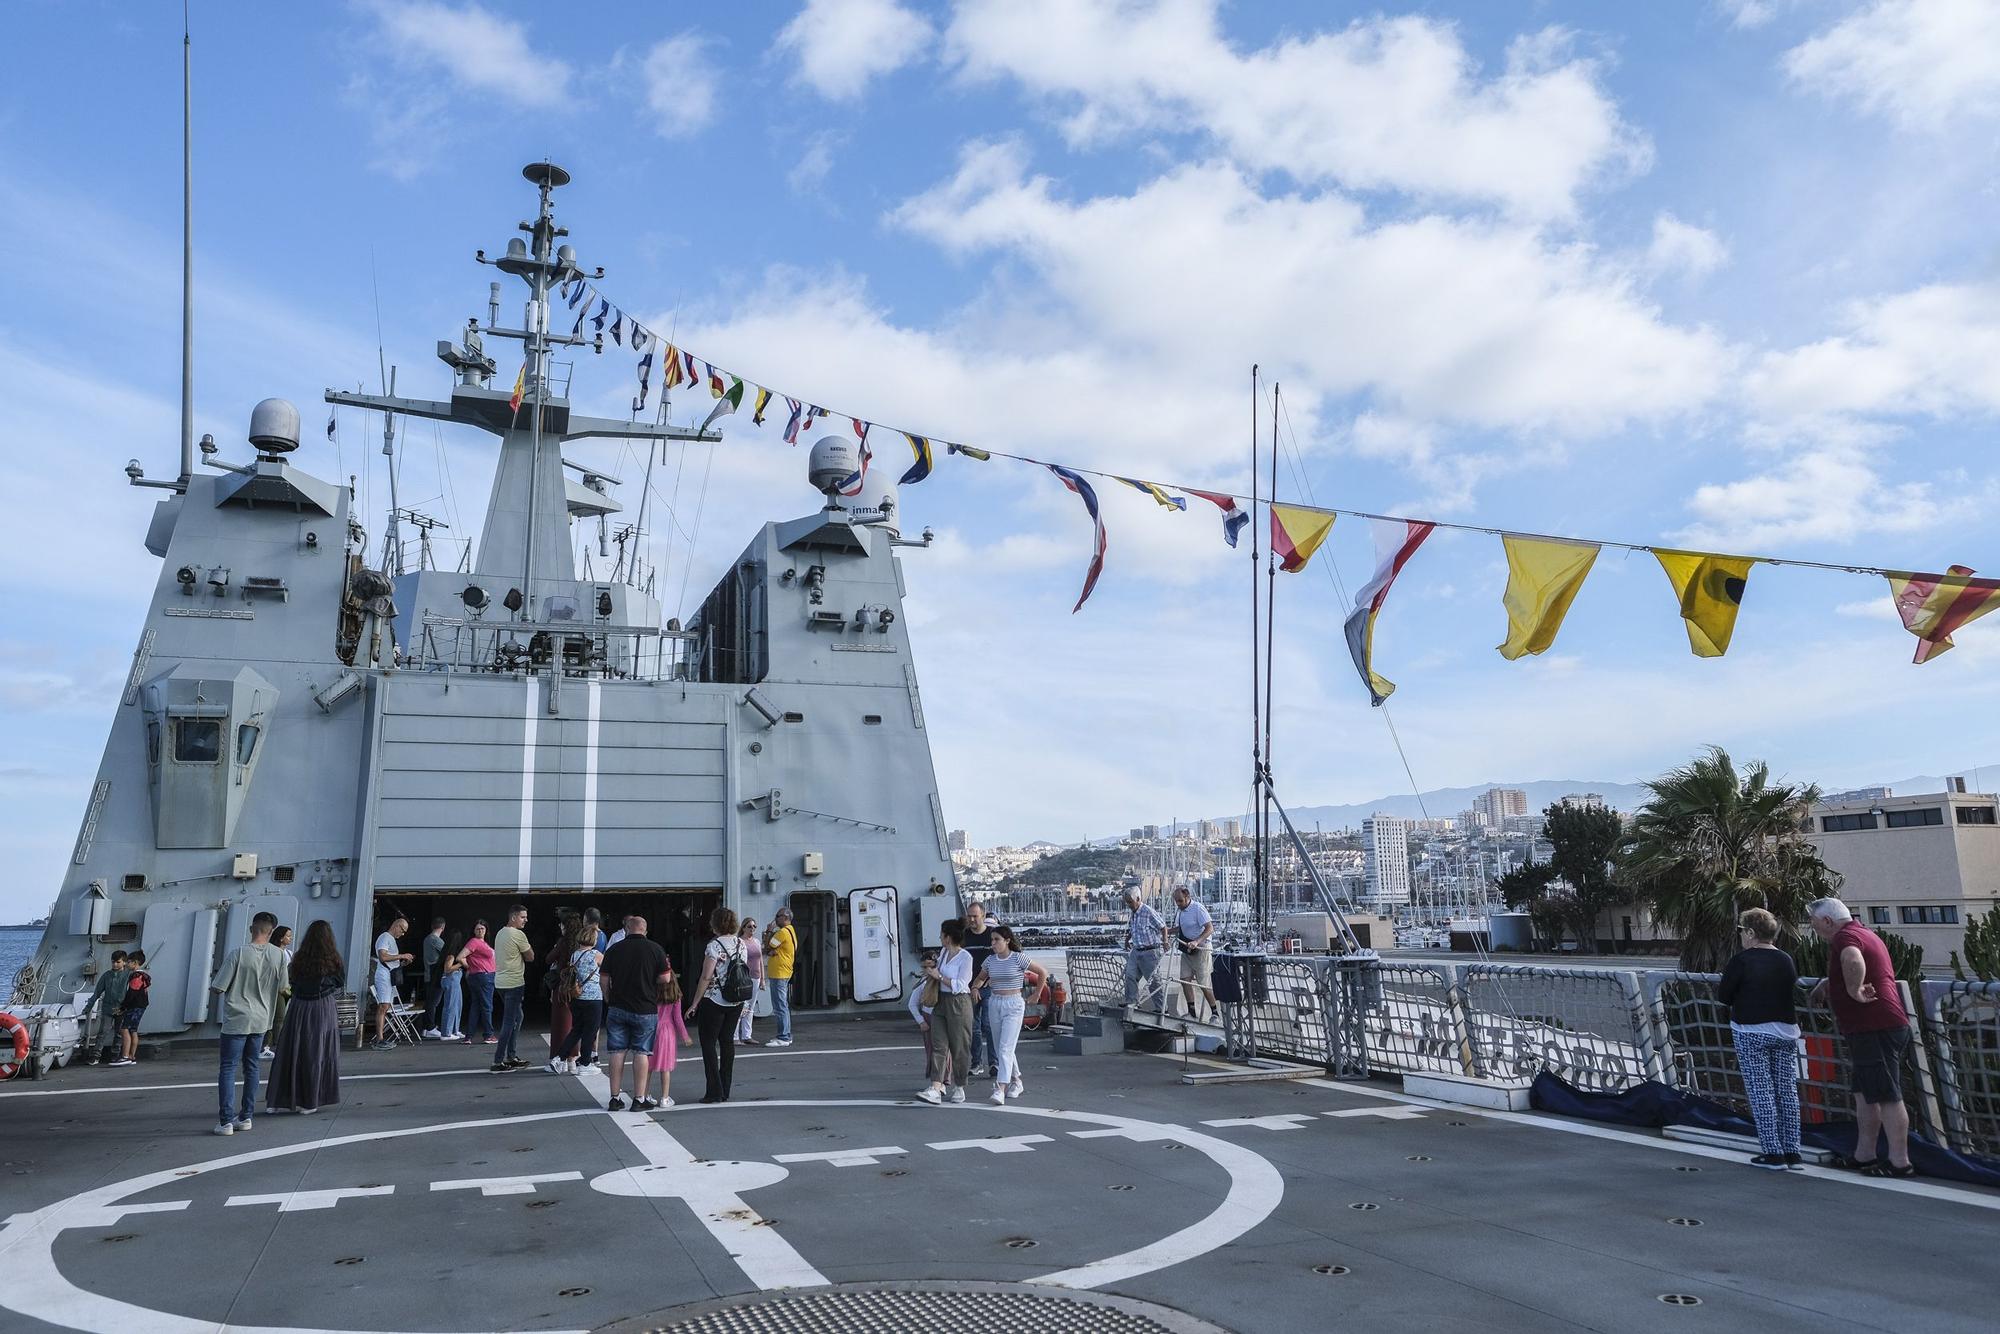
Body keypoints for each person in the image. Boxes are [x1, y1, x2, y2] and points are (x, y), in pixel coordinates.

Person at [1807, 897, 1916, 1177]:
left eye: (1815, 923)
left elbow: (1852, 958)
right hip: (1873, 1027)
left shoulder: (1846, 938)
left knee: (1887, 1094)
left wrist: (1854, 990)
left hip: (1874, 1026)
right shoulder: (1862, 932)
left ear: (1828, 921)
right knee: (1865, 1095)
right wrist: (1828, 983)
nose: (1813, 929)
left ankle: (1899, 1161)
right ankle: (1864, 1154)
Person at [1718, 908, 1803, 1170]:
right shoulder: (1785, 959)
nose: (1742, 936)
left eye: (1743, 931)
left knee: (1760, 1091)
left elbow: (1725, 995)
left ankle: (1772, 1152)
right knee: (1786, 1090)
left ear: (1752, 933)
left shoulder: (1742, 961)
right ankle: (1793, 1151)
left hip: (1751, 1030)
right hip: (1785, 1031)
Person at [209, 911, 286, 1136]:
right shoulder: (279, 956)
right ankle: (246, 1116)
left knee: (228, 1067)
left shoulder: (238, 954)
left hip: (237, 1018)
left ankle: (225, 1121)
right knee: (252, 1066)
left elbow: (218, 987)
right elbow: (283, 987)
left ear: (252, 928)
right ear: (271, 932)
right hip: (262, 1019)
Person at [266, 920, 344, 1115]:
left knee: (290, 1050)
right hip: (322, 1006)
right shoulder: (333, 958)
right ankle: (310, 1100)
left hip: (299, 1006)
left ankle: (278, 1100)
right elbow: (339, 981)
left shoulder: (299, 958)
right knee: (317, 1052)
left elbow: (290, 982)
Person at [973, 924, 1048, 1105]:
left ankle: (1000, 1088)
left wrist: (1036, 994)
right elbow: (981, 977)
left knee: (1005, 1049)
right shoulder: (990, 961)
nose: (993, 943)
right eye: (992, 940)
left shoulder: (1018, 958)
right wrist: (975, 987)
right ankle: (1017, 1080)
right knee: (1003, 1047)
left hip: (1014, 1003)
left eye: (997, 939)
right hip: (995, 1002)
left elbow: (1042, 973)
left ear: (1007, 941)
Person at [601, 916, 667, 1111]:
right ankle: (638, 1099)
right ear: (645, 930)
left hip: (617, 1006)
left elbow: (603, 979)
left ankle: (614, 1098)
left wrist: (607, 997)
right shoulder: (655, 949)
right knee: (641, 1052)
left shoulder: (614, 949)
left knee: (617, 1051)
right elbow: (665, 977)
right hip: (645, 1008)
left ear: (627, 929)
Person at [686, 906, 750, 1104]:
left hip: (714, 999)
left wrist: (694, 1003)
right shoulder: (741, 943)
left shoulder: (714, 946)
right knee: (727, 1041)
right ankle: (725, 1088)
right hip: (737, 999)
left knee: (708, 1043)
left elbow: (706, 977)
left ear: (715, 924)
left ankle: (714, 1091)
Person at [916, 920, 973, 1106]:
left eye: (942, 934)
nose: (940, 937)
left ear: (948, 937)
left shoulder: (965, 958)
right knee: (938, 1044)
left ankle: (960, 1085)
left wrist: (938, 976)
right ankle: (936, 1086)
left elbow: (961, 984)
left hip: (959, 1003)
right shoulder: (943, 953)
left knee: (959, 1046)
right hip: (941, 1001)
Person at [549, 918, 605, 1075]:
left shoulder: (575, 955)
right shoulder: (596, 955)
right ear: (593, 939)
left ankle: (559, 1057)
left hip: (576, 997)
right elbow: (607, 970)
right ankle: (585, 1063)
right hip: (593, 998)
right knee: (590, 1030)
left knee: (577, 1029)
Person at [490, 905, 534, 1072]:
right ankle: (498, 1060)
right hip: (514, 982)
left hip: (500, 981)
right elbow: (531, 956)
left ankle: (511, 1055)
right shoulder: (518, 934)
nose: (525, 920)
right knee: (510, 1021)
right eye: (523, 917)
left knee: (518, 1016)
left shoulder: (501, 933)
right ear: (514, 917)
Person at [963, 901, 999, 1077]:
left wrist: (989, 981)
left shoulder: (992, 936)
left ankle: (994, 1063)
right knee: (973, 1027)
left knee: (989, 1024)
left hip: (988, 987)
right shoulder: (964, 936)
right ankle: (977, 1063)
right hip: (969, 988)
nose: (971, 919)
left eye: (975, 916)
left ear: (983, 916)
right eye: (969, 916)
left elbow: (999, 958)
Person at [650, 957, 690, 1108]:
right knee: (665, 1067)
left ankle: (645, 1094)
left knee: (648, 1065)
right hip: (667, 1031)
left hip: (651, 1028)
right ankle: (665, 1098)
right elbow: (678, 1019)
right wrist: (685, 1036)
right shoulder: (675, 996)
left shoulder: (653, 992)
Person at [1172, 886, 1215, 1022]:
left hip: (1201, 950)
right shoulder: (1182, 911)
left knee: (1203, 983)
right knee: (1185, 980)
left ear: (1187, 897)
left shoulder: (1198, 908)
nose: (1178, 904)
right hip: (1187, 950)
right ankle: (1192, 1013)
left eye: (1180, 901)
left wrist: (1197, 941)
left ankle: (1215, 1013)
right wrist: (1168, 930)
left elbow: (1210, 928)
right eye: (1176, 901)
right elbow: (1183, 928)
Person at [1122, 888, 1167, 1019]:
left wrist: (1165, 942)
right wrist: (1126, 940)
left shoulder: (1148, 912)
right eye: (1127, 903)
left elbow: (1163, 927)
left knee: (1153, 981)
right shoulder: (1133, 913)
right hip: (1136, 950)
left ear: (1138, 899)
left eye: (1130, 902)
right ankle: (1132, 1003)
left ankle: (1162, 1009)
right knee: (1130, 975)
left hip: (1150, 951)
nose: (1129, 905)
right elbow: (1133, 927)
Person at [370, 915, 412, 1051]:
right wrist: (402, 956)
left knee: (386, 1006)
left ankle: (381, 1038)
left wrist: (403, 962)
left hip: (389, 974)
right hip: (384, 975)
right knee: (383, 1006)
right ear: (396, 926)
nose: (403, 933)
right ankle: (379, 1039)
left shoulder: (391, 939)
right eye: (403, 930)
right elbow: (382, 956)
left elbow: (392, 961)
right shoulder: (384, 937)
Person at [84, 950, 130, 1065]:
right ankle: (95, 1055)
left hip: (122, 1008)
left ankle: (115, 1054)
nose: (115, 964)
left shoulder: (128, 975)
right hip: (108, 1008)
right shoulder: (106, 975)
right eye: (113, 962)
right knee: (102, 1032)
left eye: (118, 962)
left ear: (124, 962)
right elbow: (97, 992)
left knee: (119, 1033)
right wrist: (88, 1007)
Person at [909, 950, 944, 1085]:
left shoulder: (943, 981)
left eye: (931, 966)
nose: (928, 970)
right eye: (924, 967)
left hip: (942, 1016)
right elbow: (912, 1004)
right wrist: (921, 1021)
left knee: (945, 1051)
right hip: (928, 1016)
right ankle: (935, 1081)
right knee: (931, 1050)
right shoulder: (923, 982)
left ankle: (944, 1081)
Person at [763, 907, 797, 1048]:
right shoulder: (791, 931)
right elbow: (772, 949)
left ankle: (783, 1036)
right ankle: (786, 1035)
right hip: (784, 971)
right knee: (783, 1005)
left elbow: (767, 946)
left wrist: (769, 931)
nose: (775, 919)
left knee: (780, 1006)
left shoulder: (783, 932)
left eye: (778, 916)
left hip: (779, 972)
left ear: (785, 917)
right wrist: (772, 950)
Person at [111, 951, 151, 1066]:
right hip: (141, 1006)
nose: (127, 964)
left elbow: (132, 993)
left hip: (135, 1006)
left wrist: (123, 1006)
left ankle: (125, 1056)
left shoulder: (136, 976)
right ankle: (132, 1056)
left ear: (135, 963)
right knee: (133, 1030)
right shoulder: (144, 976)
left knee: (125, 1029)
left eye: (128, 962)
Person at [261, 925, 294, 1061]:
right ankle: (267, 1046)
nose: (290, 938)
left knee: (281, 1016)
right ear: (280, 938)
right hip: (273, 987)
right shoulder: (271, 952)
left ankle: (274, 1045)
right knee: (273, 1016)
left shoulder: (289, 954)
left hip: (286, 988)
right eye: (288, 936)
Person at [461, 920, 496, 1044]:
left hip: (480, 976)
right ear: (473, 931)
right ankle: (488, 1035)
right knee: (487, 1006)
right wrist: (470, 967)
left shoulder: (482, 943)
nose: (480, 931)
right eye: (478, 929)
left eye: (482, 928)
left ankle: (469, 1036)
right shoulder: (474, 942)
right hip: (483, 976)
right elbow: (460, 957)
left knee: (476, 1006)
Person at [735, 917, 764, 1046]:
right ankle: (735, 1036)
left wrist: (762, 979)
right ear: (743, 928)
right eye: (749, 926)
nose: (752, 929)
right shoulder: (740, 942)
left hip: (755, 977)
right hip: (744, 978)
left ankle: (747, 1035)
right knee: (741, 1006)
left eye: (754, 926)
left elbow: (761, 960)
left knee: (751, 1007)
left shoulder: (757, 942)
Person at [419, 917, 448, 1038]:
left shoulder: (427, 939)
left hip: (428, 974)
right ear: (443, 927)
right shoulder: (435, 940)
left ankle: (427, 1027)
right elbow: (448, 952)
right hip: (435, 975)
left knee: (430, 1001)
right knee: (433, 1002)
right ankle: (430, 1027)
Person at [435, 932, 466, 1041]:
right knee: (450, 1006)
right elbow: (447, 969)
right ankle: (446, 1033)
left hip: (454, 981)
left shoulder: (449, 953)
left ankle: (454, 1029)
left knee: (457, 1005)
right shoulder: (451, 954)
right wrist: (460, 964)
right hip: (451, 979)